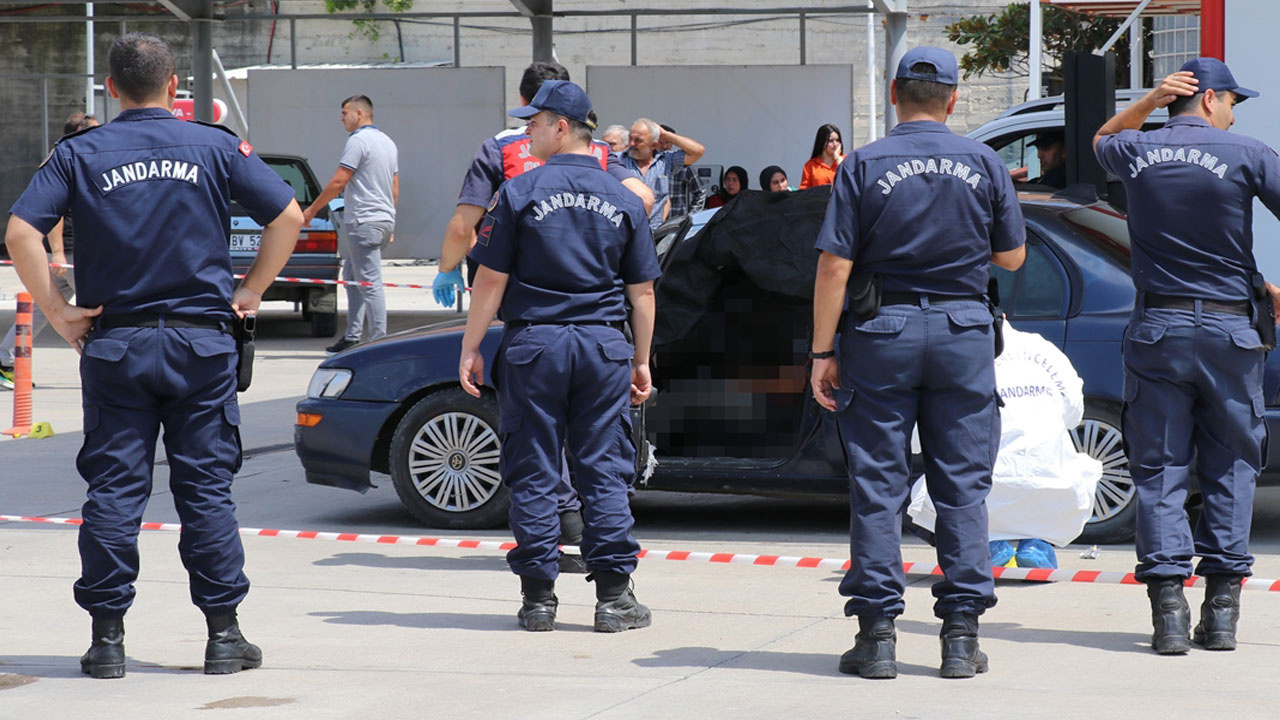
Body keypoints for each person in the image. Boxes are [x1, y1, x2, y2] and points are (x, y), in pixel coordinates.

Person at [4, 32, 301, 678]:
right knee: (206, 493)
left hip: (117, 344)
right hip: (201, 344)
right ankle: (224, 637)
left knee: (113, 492)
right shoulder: (214, 146)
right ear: (175, 88)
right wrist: (249, 291)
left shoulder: (81, 152)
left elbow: (21, 230)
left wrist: (58, 311)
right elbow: (288, 216)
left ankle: (107, 640)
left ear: (111, 90)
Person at [810, 46, 1026, 680]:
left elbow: (833, 266)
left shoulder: (864, 163)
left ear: (893, 91)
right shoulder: (985, 161)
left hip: (882, 332)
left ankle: (877, 638)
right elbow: (1011, 259)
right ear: (954, 99)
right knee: (962, 488)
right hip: (963, 332)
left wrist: (823, 351)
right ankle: (960, 637)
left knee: (878, 486)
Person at [433, 61, 654, 574]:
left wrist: (470, 347)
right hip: (603, 349)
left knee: (534, 470)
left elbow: (490, 280)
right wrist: (640, 360)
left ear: (561, 128)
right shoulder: (623, 197)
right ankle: (614, 596)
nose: (525, 130)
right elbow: (641, 292)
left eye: (533, 122)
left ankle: (537, 596)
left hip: (535, 347)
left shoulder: (516, 194)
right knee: (603, 470)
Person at [1093, 59, 1280, 655]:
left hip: (1159, 328)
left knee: (1161, 469)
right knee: (1231, 466)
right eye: (1231, 102)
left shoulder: (1138, 152)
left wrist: (1148, 101)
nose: (1232, 113)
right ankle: (1222, 613)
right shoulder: (1248, 153)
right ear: (1209, 100)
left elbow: (1102, 138)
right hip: (1230, 332)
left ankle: (1168, 615)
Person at [434, 62, 653, 309]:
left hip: (515, 295)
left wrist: (447, 268)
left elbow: (463, 227)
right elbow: (643, 199)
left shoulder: (497, 148)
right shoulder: (598, 150)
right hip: (591, 291)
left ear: (524, 100)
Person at [1, 112, 98, 390]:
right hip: (67, 254)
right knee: (98, 310)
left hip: (66, 254)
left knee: (41, 311)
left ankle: (6, 358)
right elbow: (53, 214)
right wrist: (57, 253)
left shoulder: (70, 156)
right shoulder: (67, 158)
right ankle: (109, 368)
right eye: (94, 129)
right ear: (79, 131)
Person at [302, 95, 398, 355]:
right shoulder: (387, 142)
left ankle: (380, 341)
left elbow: (338, 181)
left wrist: (312, 209)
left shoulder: (358, 141)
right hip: (381, 219)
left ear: (359, 113)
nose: (342, 118)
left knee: (369, 282)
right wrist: (389, 220)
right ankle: (353, 336)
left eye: (345, 112)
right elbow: (394, 187)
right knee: (353, 278)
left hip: (364, 220)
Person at [616, 117, 705, 231]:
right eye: (630, 138)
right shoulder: (617, 160)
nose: (632, 144)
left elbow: (698, 151)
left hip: (656, 234)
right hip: (625, 231)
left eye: (638, 140)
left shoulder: (666, 161)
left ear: (654, 145)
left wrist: (666, 135)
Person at [658, 124, 707, 217]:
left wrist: (691, 217)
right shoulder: (647, 164)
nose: (664, 146)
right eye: (661, 142)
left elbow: (700, 192)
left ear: (672, 143)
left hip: (676, 224)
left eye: (667, 142)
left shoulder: (681, 164)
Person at [800, 124, 845, 189]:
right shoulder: (810, 165)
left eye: (837, 140)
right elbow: (804, 191)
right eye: (831, 141)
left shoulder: (847, 160)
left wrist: (838, 159)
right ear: (822, 142)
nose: (835, 144)